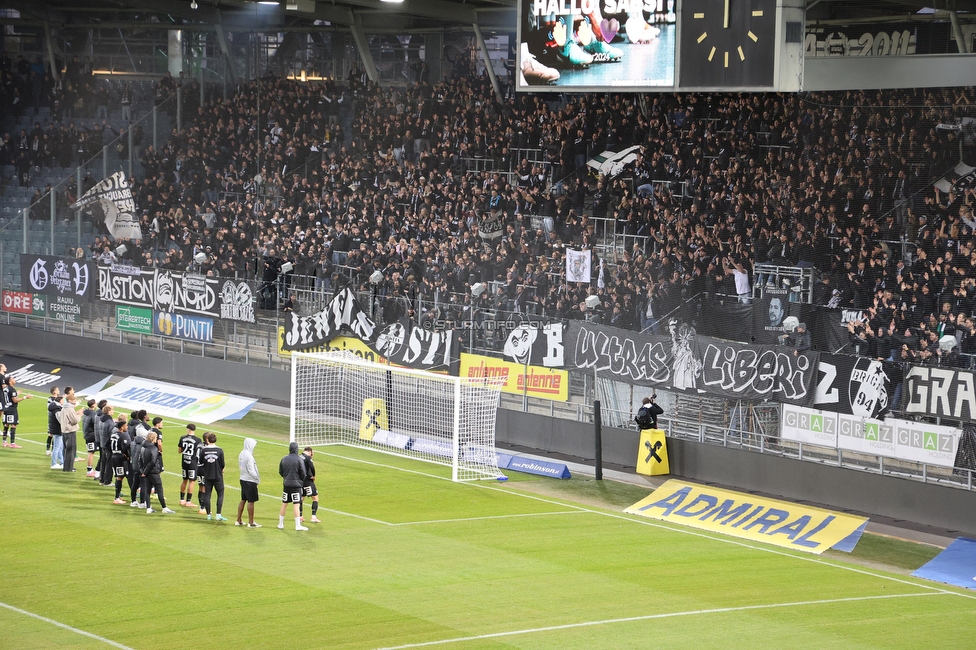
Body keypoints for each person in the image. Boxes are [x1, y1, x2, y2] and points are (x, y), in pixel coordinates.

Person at [140, 431, 175, 514]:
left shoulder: (143, 447)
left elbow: (139, 460)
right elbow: (152, 461)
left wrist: (143, 471)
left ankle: (148, 508)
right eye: (155, 438)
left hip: (147, 472)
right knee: (159, 489)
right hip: (154, 472)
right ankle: (164, 508)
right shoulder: (154, 448)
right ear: (153, 438)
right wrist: (145, 471)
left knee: (147, 490)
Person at [278, 442, 308, 531]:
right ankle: (298, 525)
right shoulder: (299, 460)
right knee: (296, 504)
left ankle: (280, 524)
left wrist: (286, 478)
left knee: (284, 503)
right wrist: (300, 480)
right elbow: (303, 473)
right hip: (296, 486)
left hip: (286, 484)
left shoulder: (284, 459)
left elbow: (281, 471)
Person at [199, 432, 227, 521]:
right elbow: (222, 464)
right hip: (218, 476)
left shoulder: (204, 450)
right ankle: (218, 514)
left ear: (208, 440)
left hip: (207, 476)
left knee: (207, 495)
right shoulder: (220, 450)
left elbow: (201, 461)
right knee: (220, 494)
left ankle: (208, 515)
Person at [236, 438, 262, 527]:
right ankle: (251, 522)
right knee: (251, 501)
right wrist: (257, 479)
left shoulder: (242, 453)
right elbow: (251, 470)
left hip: (242, 478)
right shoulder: (249, 456)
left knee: (243, 499)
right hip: (250, 480)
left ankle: (238, 519)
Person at [58, 387, 83, 472]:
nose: (75, 401)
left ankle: (66, 467)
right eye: (74, 400)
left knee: (66, 450)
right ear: (70, 401)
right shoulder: (69, 408)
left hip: (64, 430)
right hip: (70, 431)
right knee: (71, 450)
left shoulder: (64, 408)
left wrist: (75, 414)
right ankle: (69, 468)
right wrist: (79, 414)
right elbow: (75, 420)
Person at [177, 423, 203, 508]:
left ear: (187, 429)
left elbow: (179, 450)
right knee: (192, 482)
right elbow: (199, 452)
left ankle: (182, 500)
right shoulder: (198, 440)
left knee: (184, 480)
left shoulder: (182, 438)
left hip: (184, 462)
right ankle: (188, 501)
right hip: (193, 463)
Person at [2, 375, 31, 448]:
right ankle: (12, 443)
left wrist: (17, 394)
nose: (14, 380)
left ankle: (4, 442)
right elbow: (14, 400)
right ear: (9, 381)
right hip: (12, 409)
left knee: (6, 425)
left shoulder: (6, 388)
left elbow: (9, 397)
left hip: (6, 408)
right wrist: (25, 397)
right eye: (13, 379)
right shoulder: (12, 389)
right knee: (13, 425)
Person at [109, 418, 132, 505]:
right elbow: (125, 448)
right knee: (126, 476)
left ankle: (117, 496)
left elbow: (108, 445)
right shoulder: (123, 436)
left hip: (114, 457)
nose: (127, 427)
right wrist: (128, 456)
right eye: (126, 426)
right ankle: (118, 498)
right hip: (121, 459)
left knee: (119, 477)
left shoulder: (113, 435)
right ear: (122, 427)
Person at [300, 447, 321, 524]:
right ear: (310, 452)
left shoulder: (299, 456)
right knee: (315, 498)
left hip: (301, 481)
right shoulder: (308, 458)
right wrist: (314, 476)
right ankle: (313, 517)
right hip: (308, 481)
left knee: (302, 498)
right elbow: (312, 467)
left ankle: (300, 516)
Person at [82, 399, 98, 476]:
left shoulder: (85, 412)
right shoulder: (93, 415)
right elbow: (96, 423)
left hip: (87, 434)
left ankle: (90, 470)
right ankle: (89, 470)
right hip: (91, 435)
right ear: (93, 405)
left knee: (90, 452)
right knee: (91, 452)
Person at [47, 386, 63, 465]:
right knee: (57, 447)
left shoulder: (54, 407)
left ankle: (62, 462)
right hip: (57, 429)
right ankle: (53, 463)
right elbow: (60, 419)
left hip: (56, 428)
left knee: (60, 447)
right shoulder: (56, 409)